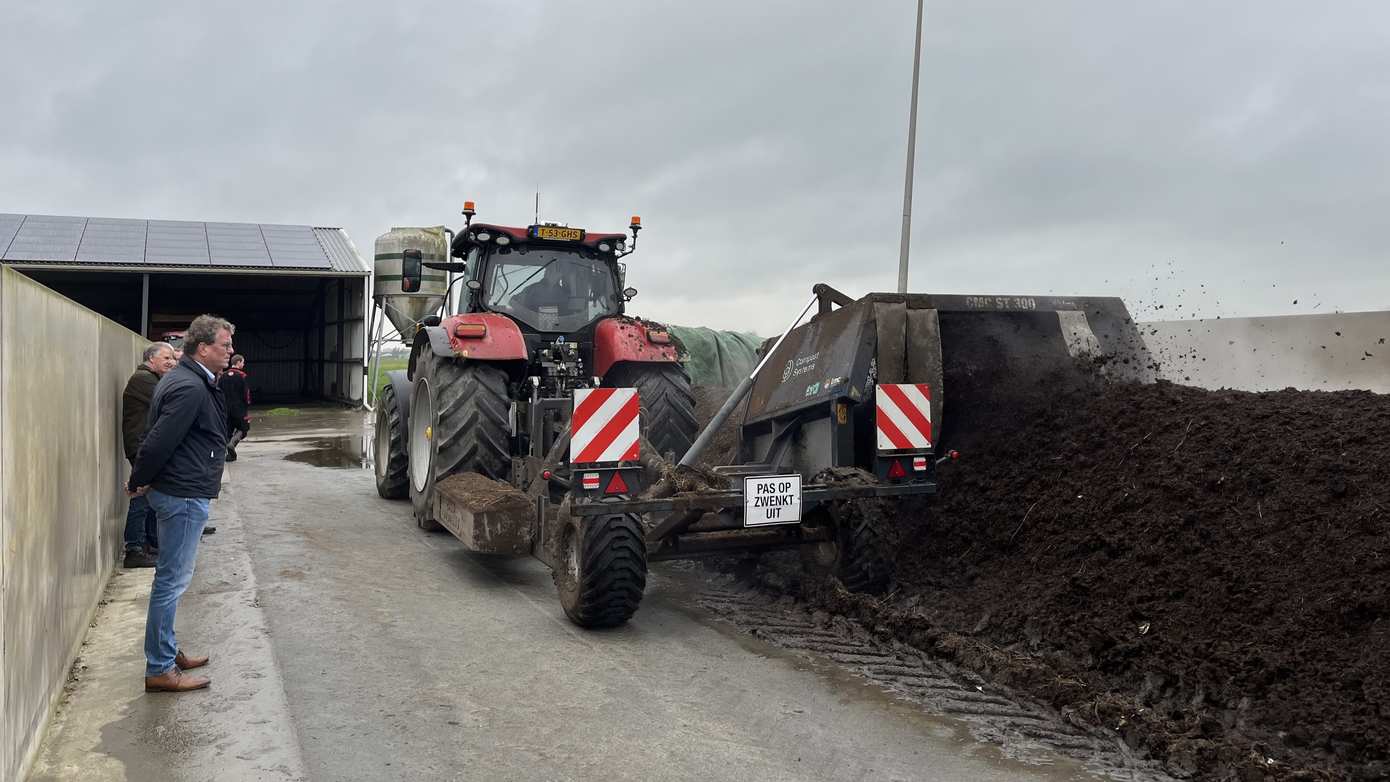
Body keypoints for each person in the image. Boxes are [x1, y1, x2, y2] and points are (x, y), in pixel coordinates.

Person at [128, 314, 235, 693]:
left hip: (181, 489)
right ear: (203, 348)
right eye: (224, 345)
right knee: (171, 581)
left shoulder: (190, 379)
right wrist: (138, 479)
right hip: (182, 494)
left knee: (171, 579)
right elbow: (158, 440)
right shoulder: (189, 386)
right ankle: (160, 667)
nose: (230, 351)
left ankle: (168, 651)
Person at [121, 342, 178, 568]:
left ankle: (150, 542)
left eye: (173, 358)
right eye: (167, 358)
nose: (171, 362)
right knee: (141, 495)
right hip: (140, 447)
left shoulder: (151, 378)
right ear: (151, 358)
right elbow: (169, 401)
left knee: (151, 495)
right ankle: (134, 548)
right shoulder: (143, 379)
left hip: (146, 446)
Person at [220, 354, 251, 462]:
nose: (243, 364)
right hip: (239, 408)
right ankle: (232, 444)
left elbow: (218, 392)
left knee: (228, 431)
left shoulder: (223, 376)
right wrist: (247, 405)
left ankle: (230, 455)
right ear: (238, 362)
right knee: (244, 428)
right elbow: (246, 394)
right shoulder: (242, 376)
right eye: (243, 362)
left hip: (225, 408)